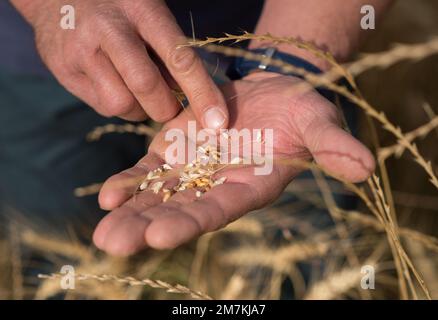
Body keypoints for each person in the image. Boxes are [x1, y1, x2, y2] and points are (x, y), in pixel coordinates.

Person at [1, 0, 392, 256]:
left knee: (306, 252)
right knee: (52, 246)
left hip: (286, 30)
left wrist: (289, 67)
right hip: (32, 63)